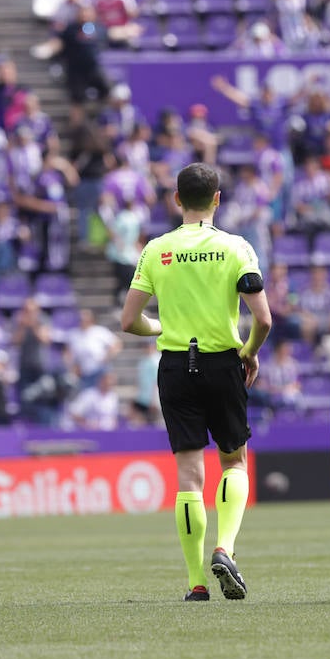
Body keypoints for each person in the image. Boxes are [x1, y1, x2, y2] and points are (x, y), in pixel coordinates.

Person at [120, 163, 272, 603]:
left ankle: (196, 582)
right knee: (234, 462)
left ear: (176, 199)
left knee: (189, 477)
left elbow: (129, 321)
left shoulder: (156, 249)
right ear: (218, 199)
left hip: (174, 366)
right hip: (224, 363)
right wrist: (249, 351)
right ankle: (225, 548)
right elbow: (262, 318)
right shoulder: (236, 247)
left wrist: (164, 326)